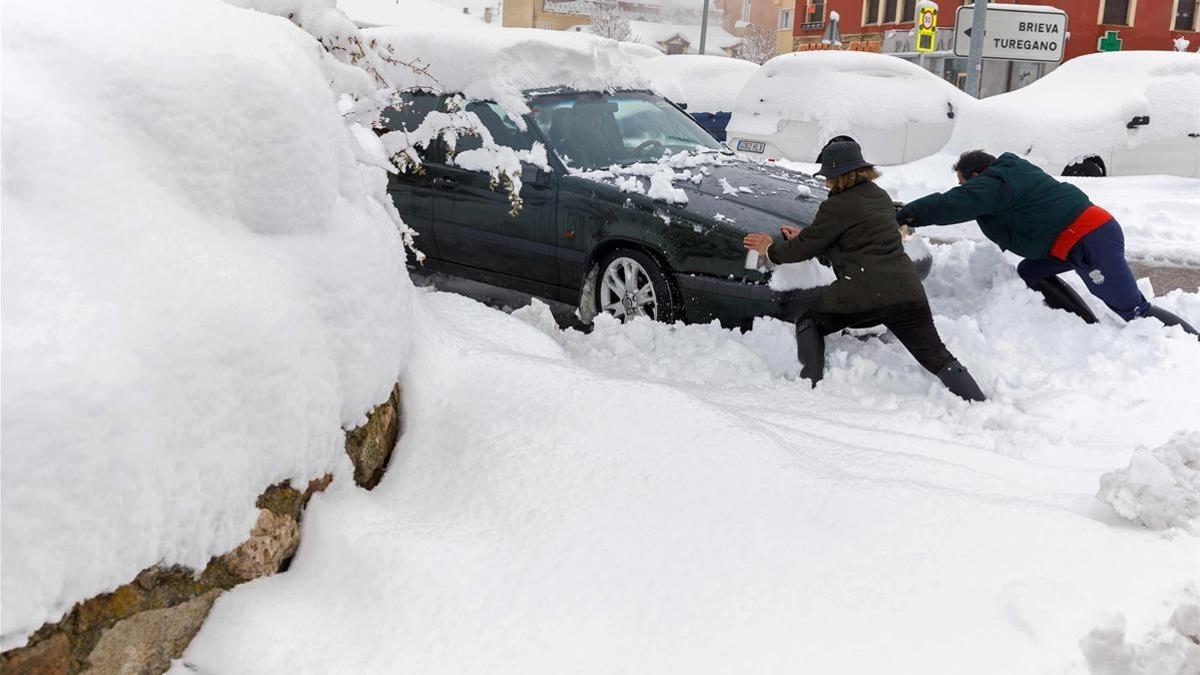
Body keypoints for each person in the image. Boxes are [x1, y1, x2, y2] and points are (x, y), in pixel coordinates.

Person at [743, 140, 986, 402]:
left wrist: (769, 249)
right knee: (936, 354)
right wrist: (808, 236)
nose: (826, 182)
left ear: (837, 176)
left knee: (809, 321)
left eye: (828, 177)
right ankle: (978, 400)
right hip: (907, 290)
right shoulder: (879, 196)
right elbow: (850, 239)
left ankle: (808, 385)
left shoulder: (835, 206)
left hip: (862, 291)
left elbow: (802, 250)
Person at [896, 150, 1198, 336]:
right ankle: (1083, 323)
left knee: (1134, 309)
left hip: (1090, 238)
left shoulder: (996, 183)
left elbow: (950, 204)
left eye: (965, 183)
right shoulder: (1010, 176)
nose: (964, 189)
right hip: (1077, 240)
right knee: (1032, 271)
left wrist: (906, 215)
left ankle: (1187, 344)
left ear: (977, 176)